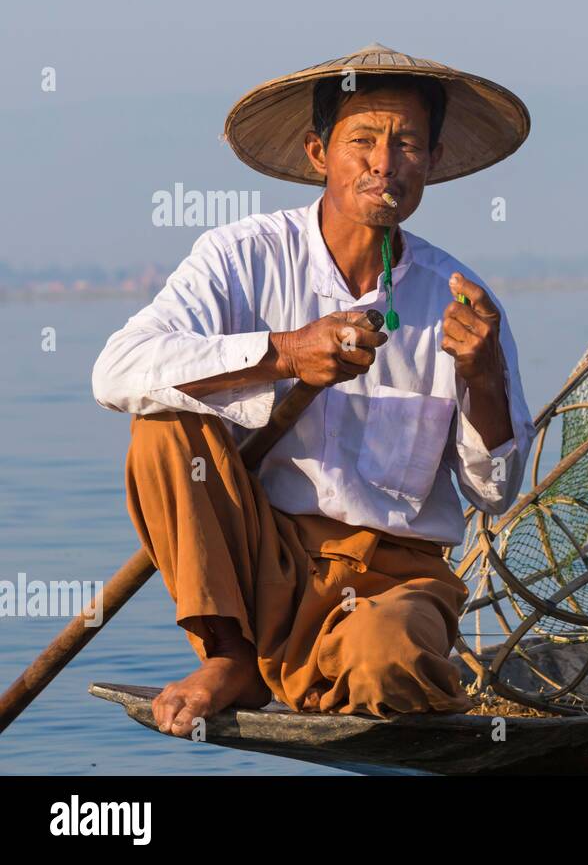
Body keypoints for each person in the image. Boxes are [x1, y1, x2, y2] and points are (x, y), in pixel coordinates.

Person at [92, 44, 536, 737]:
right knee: (163, 426)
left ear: (434, 161)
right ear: (318, 152)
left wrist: (485, 380)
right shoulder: (241, 257)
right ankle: (233, 657)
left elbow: (495, 491)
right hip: (260, 564)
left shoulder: (459, 300)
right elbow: (116, 370)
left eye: (407, 143)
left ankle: (322, 671)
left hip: (392, 583)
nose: (384, 162)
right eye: (362, 140)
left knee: (391, 661)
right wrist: (285, 353)